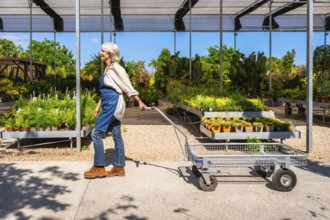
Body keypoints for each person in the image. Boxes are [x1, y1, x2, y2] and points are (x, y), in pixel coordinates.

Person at [84, 42, 146, 179]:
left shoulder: (117, 68)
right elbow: (107, 89)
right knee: (117, 135)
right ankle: (119, 167)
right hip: (107, 102)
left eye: (103, 51)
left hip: (113, 103)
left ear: (110, 54)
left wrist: (139, 101)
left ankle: (98, 167)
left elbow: (127, 85)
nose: (101, 53)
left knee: (96, 133)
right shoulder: (107, 69)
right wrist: (98, 105)